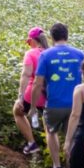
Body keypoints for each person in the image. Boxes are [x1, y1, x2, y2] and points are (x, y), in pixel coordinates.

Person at [30, 23, 84, 168]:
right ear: (66, 36)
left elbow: (38, 83)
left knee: (51, 131)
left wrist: (33, 107)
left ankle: (56, 167)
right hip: (75, 105)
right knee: (71, 139)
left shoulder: (46, 55)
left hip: (53, 103)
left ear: (52, 37)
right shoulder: (80, 54)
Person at [14, 27, 50, 156]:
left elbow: (26, 75)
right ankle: (53, 159)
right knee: (49, 129)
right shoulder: (51, 52)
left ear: (33, 40)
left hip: (32, 94)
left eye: (29, 42)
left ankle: (32, 143)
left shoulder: (31, 54)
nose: (29, 45)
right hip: (49, 96)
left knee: (17, 112)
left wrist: (20, 97)